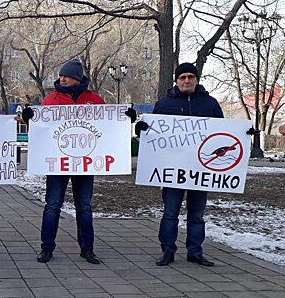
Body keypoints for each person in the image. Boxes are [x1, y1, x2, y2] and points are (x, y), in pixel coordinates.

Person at [29, 59, 118, 265]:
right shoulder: (51, 100)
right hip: (58, 163)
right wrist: (29, 118)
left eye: (66, 76)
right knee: (52, 205)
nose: (62, 78)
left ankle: (87, 249)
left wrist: (125, 118)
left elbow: (109, 126)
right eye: (61, 75)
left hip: (85, 163)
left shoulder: (94, 100)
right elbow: (40, 128)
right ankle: (46, 248)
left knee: (84, 207)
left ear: (77, 78)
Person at [135, 62, 223, 267]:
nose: (187, 81)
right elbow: (152, 135)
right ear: (176, 80)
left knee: (197, 215)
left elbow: (223, 133)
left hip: (201, 170)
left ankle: (195, 251)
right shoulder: (164, 104)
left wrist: (243, 136)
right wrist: (142, 130)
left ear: (197, 80)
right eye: (182, 77)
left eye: (191, 77)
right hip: (172, 169)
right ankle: (167, 250)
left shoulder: (210, 104)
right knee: (170, 212)